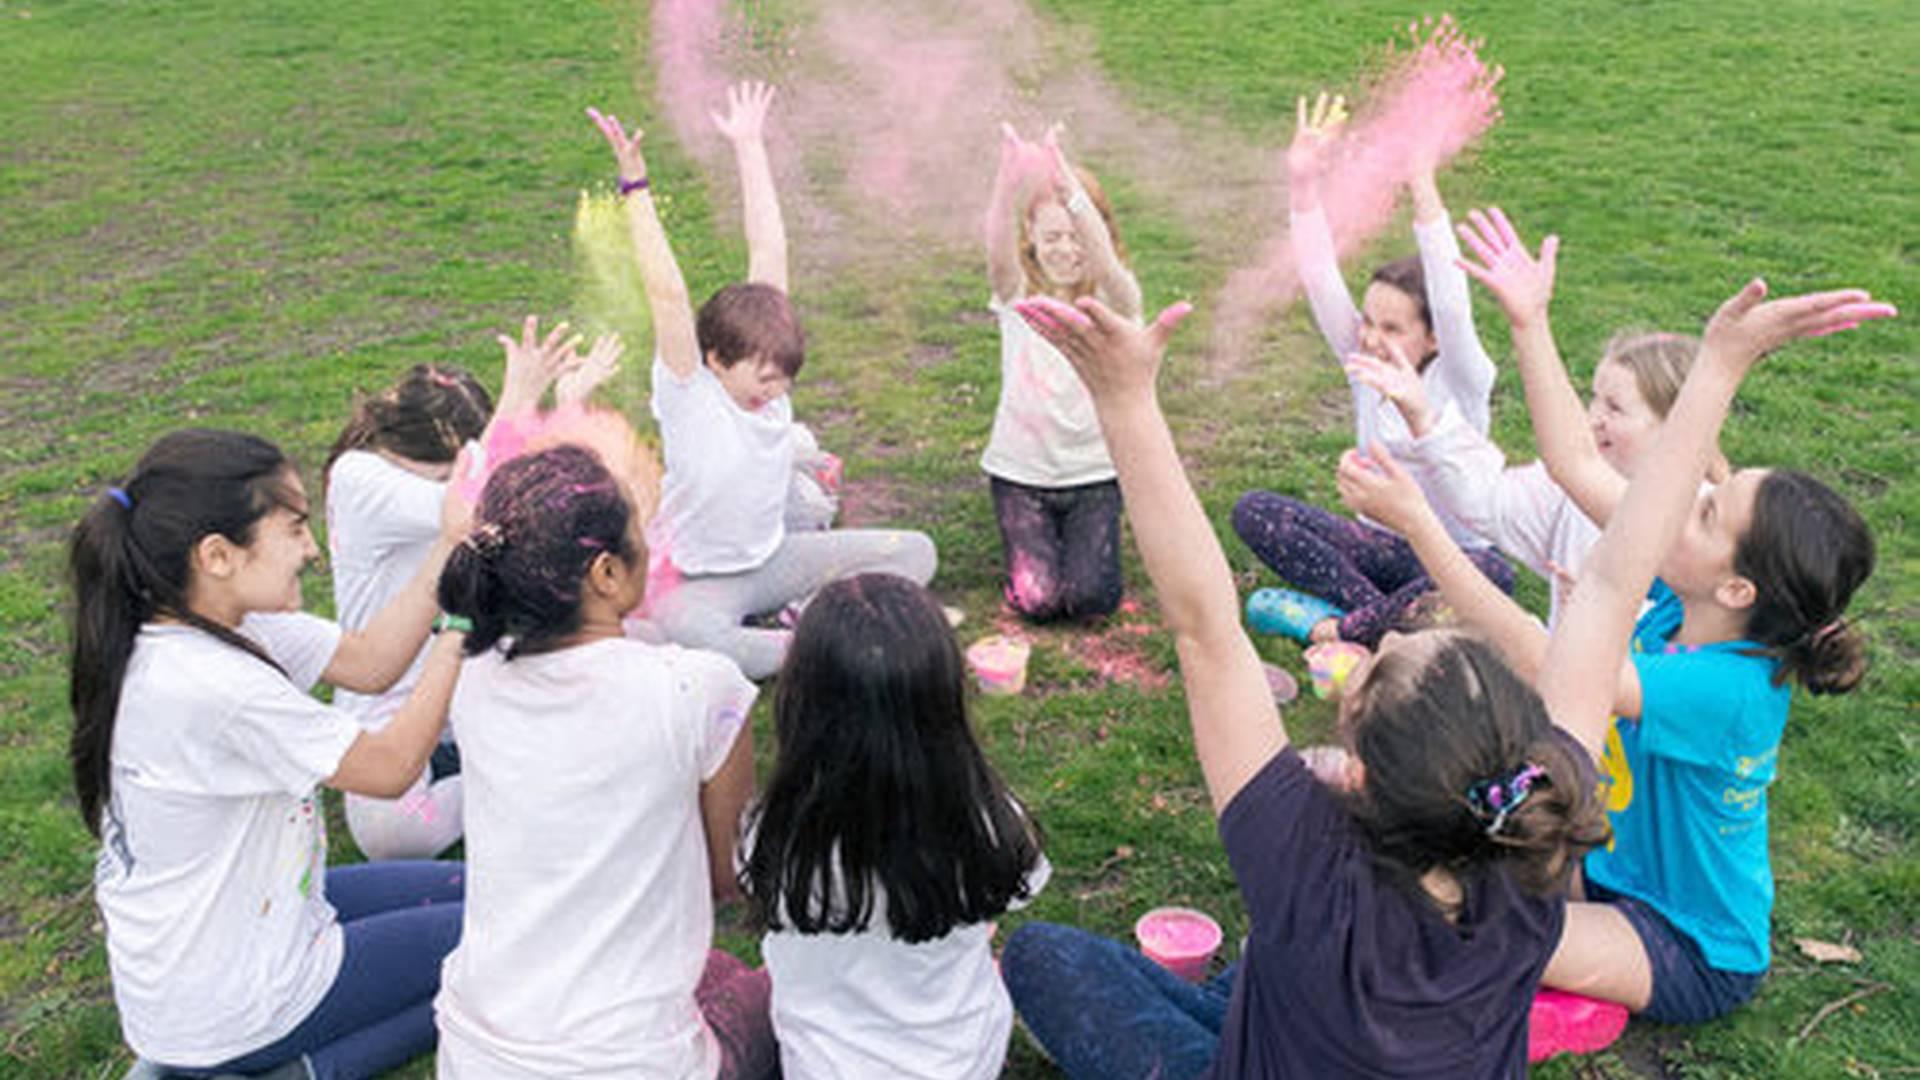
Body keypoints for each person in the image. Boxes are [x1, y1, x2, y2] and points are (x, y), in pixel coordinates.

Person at [997, 290, 1617, 1078]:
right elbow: (1610, 591)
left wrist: (1124, 400)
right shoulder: (1535, 850)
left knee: (1043, 953)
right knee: (1263, 964)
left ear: (1356, 774)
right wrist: (1718, 370)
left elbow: (1205, 630)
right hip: (1311, 1004)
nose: (1387, 634)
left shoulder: (1302, 864)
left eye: (1383, 660)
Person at [1388, 207, 1890, 1025]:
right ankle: (1561, 981)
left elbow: (1552, 661)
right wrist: (1529, 321)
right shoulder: (1680, 602)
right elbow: (1574, 464)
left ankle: (1568, 1007)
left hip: (1689, 943)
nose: (1685, 502)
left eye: (1707, 512)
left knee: (1469, 922)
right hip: (1610, 873)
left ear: (1737, 591)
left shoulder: (1732, 691)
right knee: (1435, 869)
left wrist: (1420, 530)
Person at [71, 428, 472, 1079]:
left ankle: (186, 1066)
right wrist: (459, 627)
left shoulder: (201, 619)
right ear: (219, 554)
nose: (312, 550)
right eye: (294, 530)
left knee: (489, 903)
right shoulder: (210, 684)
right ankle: (282, 1071)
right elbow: (392, 768)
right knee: (502, 947)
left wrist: (452, 544)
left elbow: (369, 662)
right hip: (233, 997)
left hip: (235, 940)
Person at [432, 442, 775, 1078]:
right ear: (606, 574)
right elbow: (727, 877)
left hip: (477, 1055)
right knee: (775, 991)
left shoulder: (472, 677)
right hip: (636, 1062)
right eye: (641, 532)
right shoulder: (697, 688)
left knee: (712, 970)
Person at [588, 82, 935, 678]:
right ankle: (825, 648)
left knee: (917, 554)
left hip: (772, 558)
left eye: (784, 379)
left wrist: (749, 145)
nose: (774, 392)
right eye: (763, 377)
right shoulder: (690, 393)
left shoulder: (769, 380)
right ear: (716, 356)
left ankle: (808, 625)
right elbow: (668, 296)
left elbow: (770, 247)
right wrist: (635, 187)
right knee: (698, 640)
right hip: (702, 579)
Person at [323, 321, 621, 860]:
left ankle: (514, 763)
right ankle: (522, 773)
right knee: (396, 837)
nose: (451, 480)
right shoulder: (357, 478)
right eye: (442, 473)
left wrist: (568, 404)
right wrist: (519, 398)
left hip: (471, 674)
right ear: (394, 447)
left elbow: (527, 483)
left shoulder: (440, 471)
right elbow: (470, 501)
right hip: (390, 709)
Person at [739, 573, 1049, 1079]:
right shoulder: (989, 822)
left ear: (802, 701)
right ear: (944, 700)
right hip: (963, 1063)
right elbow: (1010, 894)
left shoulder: (771, 834)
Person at [1232, 91, 1514, 645]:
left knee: (1494, 573)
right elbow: (1317, 275)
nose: (1371, 338)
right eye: (1369, 321)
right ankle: (1388, 622)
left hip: (1449, 558)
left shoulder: (1463, 376)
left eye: (1392, 328)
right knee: (1255, 511)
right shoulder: (1363, 358)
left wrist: (1422, 183)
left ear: (1432, 337)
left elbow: (1452, 299)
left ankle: (1335, 626)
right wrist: (1303, 185)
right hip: (1376, 549)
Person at [1364, 326, 1730, 626]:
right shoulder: (1572, 486)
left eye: (1615, 408)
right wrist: (1424, 418)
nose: (1593, 418)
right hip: (1562, 695)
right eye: (1595, 398)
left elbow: (1691, 642)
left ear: (1676, 427)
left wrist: (1605, 614)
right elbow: (1491, 503)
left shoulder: (1706, 527)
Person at [981, 122, 1143, 622]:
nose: (1066, 250)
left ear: (1101, 238)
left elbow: (1108, 265)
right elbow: (995, 249)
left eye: (1078, 237)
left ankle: (1073, 545)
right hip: (1020, 476)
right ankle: (1035, 546)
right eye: (1051, 237)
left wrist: (1071, 191)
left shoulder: (1118, 302)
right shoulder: (1018, 300)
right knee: (1038, 601)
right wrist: (1008, 185)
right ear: (1031, 238)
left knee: (1093, 599)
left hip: (1095, 474)